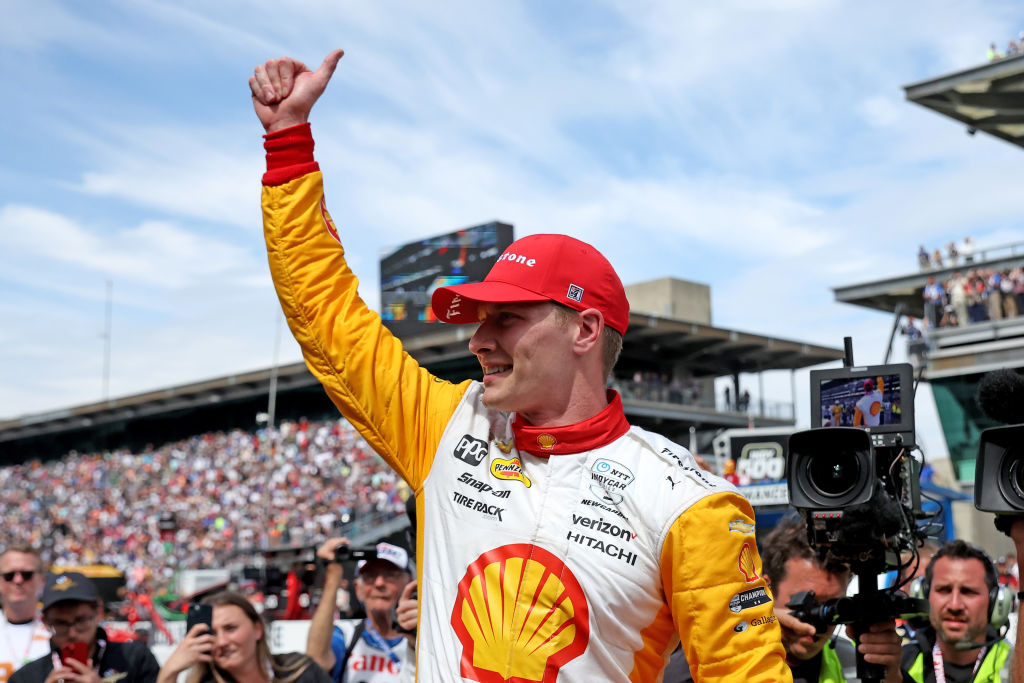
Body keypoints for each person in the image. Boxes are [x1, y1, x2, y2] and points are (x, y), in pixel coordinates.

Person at [250, 50, 789, 681]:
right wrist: (288, 145)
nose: (477, 340)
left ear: (585, 330)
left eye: (505, 318)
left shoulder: (688, 504)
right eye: (479, 319)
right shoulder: (447, 425)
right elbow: (327, 318)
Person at [11, 571, 160, 683]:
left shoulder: (135, 658)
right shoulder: (26, 677)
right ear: (45, 622)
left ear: (99, 613)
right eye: (61, 623)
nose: (72, 633)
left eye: (81, 620)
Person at [157, 591, 329, 683]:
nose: (222, 642)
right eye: (213, 633)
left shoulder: (299, 670)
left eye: (230, 628)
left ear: (258, 629)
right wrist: (169, 672)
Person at [902, 540, 1013, 682]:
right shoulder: (899, 666)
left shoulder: (1015, 666)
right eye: (944, 590)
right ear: (924, 595)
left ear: (995, 602)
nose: (954, 605)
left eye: (968, 592)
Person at [306, 539, 415, 682]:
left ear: (410, 582)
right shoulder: (346, 635)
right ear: (358, 588)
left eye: (390, 575)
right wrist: (333, 576)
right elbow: (316, 661)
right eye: (370, 576)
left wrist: (416, 641)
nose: (379, 583)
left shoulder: (429, 638)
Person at [0, 547, 50, 681]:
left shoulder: (59, 628)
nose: (18, 580)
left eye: (27, 574)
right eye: (9, 575)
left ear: (42, 580)